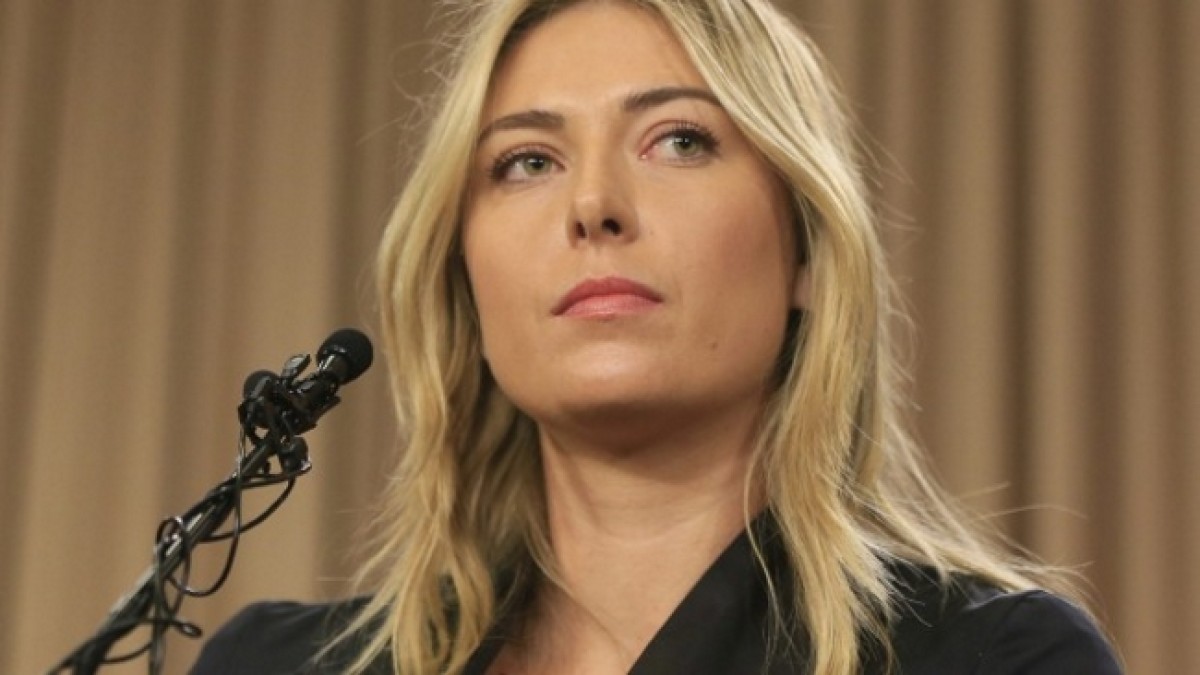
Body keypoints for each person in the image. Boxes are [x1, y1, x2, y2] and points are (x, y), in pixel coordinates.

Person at [192, 0, 1123, 673]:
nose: (593, 204)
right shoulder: (273, 665)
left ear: (806, 249)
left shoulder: (993, 657)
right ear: (465, 282)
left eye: (679, 140)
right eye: (528, 161)